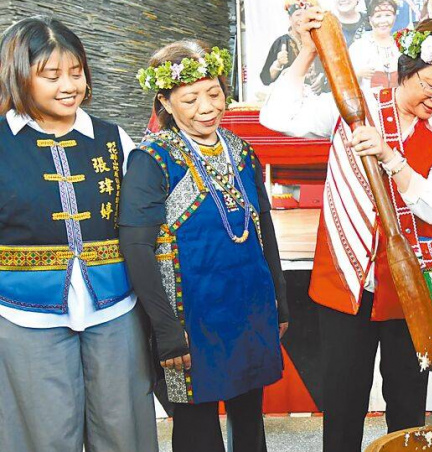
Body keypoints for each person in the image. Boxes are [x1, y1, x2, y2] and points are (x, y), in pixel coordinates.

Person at [260, 12, 432, 452]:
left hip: (411, 289)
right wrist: (306, 52)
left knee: (406, 407)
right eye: (431, 85)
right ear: (407, 70)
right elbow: (278, 117)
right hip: (345, 282)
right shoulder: (353, 105)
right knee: (343, 406)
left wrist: (390, 158)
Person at [121, 40, 289, 452]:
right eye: (190, 98)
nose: (207, 107)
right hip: (189, 316)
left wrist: (279, 301)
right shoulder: (153, 158)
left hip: (247, 306)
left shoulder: (240, 150)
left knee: (250, 416)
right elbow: (136, 247)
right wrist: (165, 329)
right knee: (196, 427)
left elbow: (264, 226)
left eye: (214, 93)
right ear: (165, 101)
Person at [0, 16, 157, 452]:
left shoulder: (112, 139)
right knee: (42, 433)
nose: (69, 85)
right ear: (18, 75)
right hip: (22, 311)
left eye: (76, 72)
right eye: (51, 76)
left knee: (123, 427)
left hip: (114, 306)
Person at [260, 4, 328, 93]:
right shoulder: (282, 42)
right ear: (290, 18)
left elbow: (330, 69)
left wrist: (322, 79)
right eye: (298, 15)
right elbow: (265, 79)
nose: (302, 19)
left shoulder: (318, 41)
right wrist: (278, 64)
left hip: (316, 99)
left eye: (305, 15)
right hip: (290, 98)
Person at [349, 0, 402, 90]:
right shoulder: (358, 47)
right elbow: (346, 81)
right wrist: (358, 74)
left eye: (388, 15)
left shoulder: (402, 45)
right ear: (370, 19)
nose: (383, 21)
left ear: (394, 17)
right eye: (378, 16)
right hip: (368, 102)